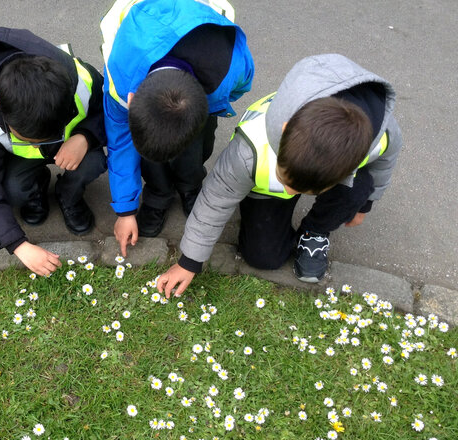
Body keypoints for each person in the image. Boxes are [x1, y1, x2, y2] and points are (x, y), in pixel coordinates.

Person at [157, 54, 403, 297]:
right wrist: (189, 261)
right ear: (284, 132)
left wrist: (365, 204)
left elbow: (383, 164)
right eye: (286, 181)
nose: (287, 193)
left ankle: (315, 231)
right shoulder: (249, 150)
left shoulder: (380, 135)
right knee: (263, 257)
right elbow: (215, 199)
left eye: (302, 191)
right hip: (260, 182)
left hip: (330, 166)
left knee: (358, 188)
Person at [101, 0, 254, 257]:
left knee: (193, 151)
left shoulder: (231, 65)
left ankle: (190, 186)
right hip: (141, 31)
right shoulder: (118, 82)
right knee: (155, 148)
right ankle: (158, 193)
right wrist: (125, 210)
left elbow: (241, 85)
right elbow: (120, 143)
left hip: (204, 47)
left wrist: (213, 104)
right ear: (130, 100)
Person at [0, 27, 107, 276]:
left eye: (43, 138)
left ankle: (68, 195)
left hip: (72, 147)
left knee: (94, 161)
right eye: (27, 138)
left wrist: (85, 136)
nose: (35, 145)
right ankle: (35, 189)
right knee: (11, 188)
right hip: (21, 162)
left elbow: (110, 112)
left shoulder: (82, 80)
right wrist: (17, 244)